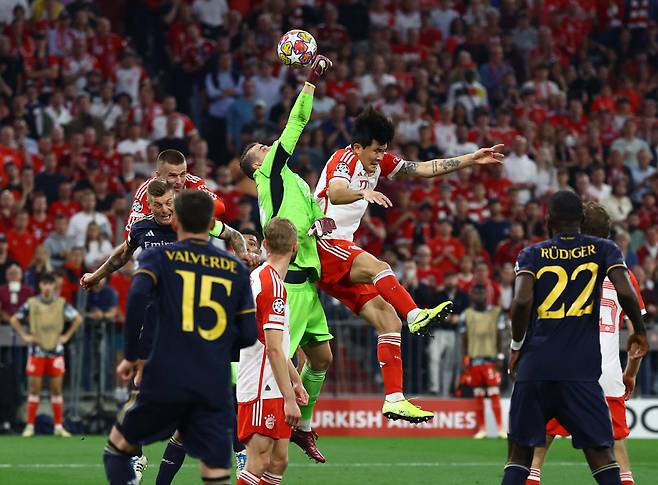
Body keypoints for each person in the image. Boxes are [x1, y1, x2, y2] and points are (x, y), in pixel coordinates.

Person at [311, 107, 504, 421]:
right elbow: (335, 191)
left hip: (340, 252)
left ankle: (394, 399)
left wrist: (470, 159)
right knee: (378, 267)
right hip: (322, 243)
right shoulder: (343, 159)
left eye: (384, 150)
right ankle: (415, 314)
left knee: (389, 321)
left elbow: (424, 168)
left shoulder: (380, 161)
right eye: (376, 151)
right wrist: (365, 192)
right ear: (358, 147)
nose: (380, 157)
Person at [102, 190, 257, 485]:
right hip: (212, 381)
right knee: (214, 470)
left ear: (177, 222)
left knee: (118, 448)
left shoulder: (158, 256)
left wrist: (132, 356)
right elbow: (249, 335)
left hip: (166, 371)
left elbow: (136, 298)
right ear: (211, 223)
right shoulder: (234, 268)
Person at [502, 190, 649, 485]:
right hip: (585, 369)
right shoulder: (603, 254)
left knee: (523, 455)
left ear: (548, 219)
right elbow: (625, 293)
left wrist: (516, 346)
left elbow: (520, 303)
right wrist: (640, 334)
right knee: (606, 454)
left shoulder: (532, 253)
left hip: (538, 365)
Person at [239, 54, 335, 463]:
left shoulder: (291, 179)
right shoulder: (270, 174)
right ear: (257, 165)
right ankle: (259, 439)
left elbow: (313, 210)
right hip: (290, 279)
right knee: (277, 361)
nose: (268, 145)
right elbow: (295, 125)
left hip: (309, 278)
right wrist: (311, 80)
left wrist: (322, 221)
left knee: (323, 359)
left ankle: (302, 427)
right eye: (262, 148)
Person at [236, 217, 308, 485]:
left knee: (279, 461)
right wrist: (290, 398)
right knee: (259, 460)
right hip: (260, 382)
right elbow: (274, 349)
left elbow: (274, 342)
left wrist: (295, 379)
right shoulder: (273, 288)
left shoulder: (261, 277)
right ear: (295, 248)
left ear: (264, 244)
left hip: (273, 379)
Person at [9, 272, 82, 438]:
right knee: (34, 388)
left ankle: (58, 426)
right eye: (44, 284)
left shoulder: (61, 303)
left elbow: (77, 319)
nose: (47, 287)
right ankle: (29, 426)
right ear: (40, 286)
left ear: (54, 286)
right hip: (37, 350)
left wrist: (66, 336)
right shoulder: (32, 303)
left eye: (50, 284)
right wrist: (25, 335)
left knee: (56, 388)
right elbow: (15, 319)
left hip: (56, 350)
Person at [124, 149, 220, 238]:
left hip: (188, 234)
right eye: (172, 175)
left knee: (216, 229)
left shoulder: (192, 182)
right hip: (158, 237)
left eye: (182, 174)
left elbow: (220, 207)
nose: (179, 181)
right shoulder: (147, 189)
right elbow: (131, 230)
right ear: (158, 176)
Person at [461, 284, 506, 439]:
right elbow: (464, 337)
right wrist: (464, 358)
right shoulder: (465, 314)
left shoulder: (496, 312)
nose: (479, 296)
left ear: (486, 294)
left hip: (491, 358)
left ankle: (500, 428)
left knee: (494, 393)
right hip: (474, 359)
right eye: (476, 292)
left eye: (481, 293)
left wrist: (500, 356)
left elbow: (500, 334)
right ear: (471, 295)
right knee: (478, 394)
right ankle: (482, 429)